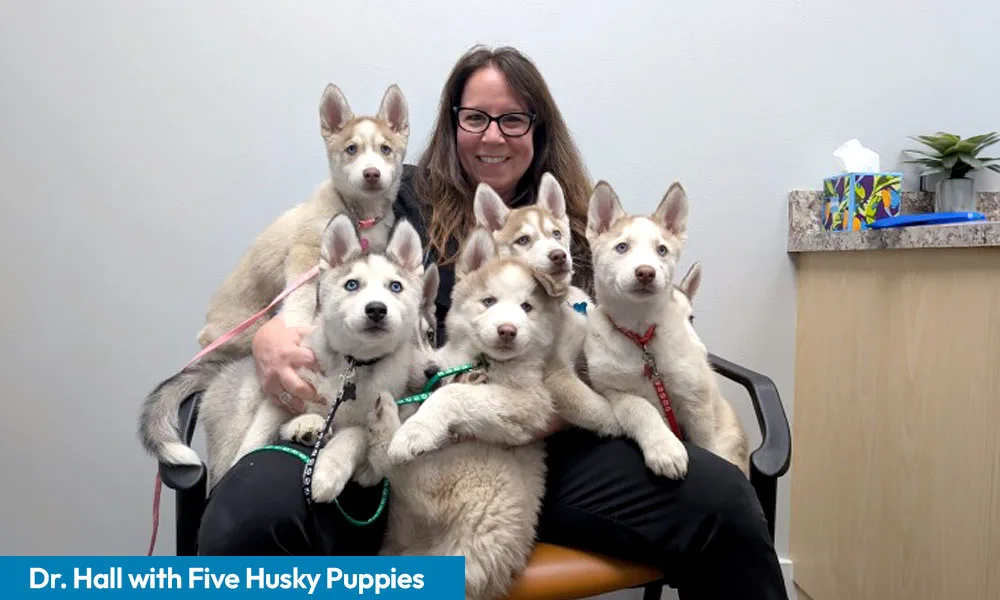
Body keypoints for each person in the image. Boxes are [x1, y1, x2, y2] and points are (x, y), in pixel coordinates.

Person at [197, 44, 789, 599]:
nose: (493, 136)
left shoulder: (574, 225)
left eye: (513, 120)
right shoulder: (394, 198)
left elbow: (610, 343)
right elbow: (299, 264)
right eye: (476, 117)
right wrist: (266, 334)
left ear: (538, 128)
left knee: (721, 502)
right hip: (381, 424)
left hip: (545, 443)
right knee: (249, 517)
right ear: (451, 122)